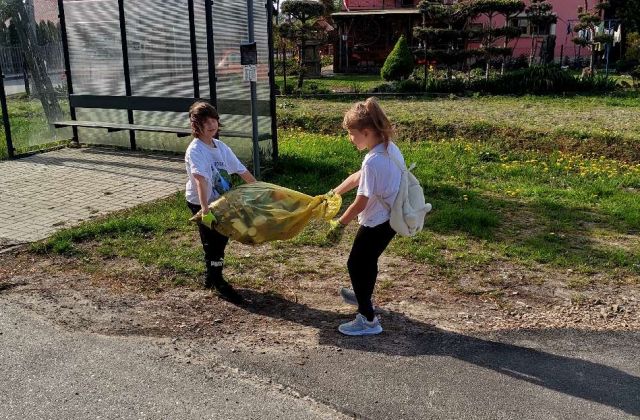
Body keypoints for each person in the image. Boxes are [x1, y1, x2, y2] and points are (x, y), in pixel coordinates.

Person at [326, 97, 404, 336]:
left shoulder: (374, 160)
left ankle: (368, 319)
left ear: (366, 131)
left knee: (356, 263)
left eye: (351, 133)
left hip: (377, 223)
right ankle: (363, 297)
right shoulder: (388, 148)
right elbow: (358, 176)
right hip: (389, 219)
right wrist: (333, 193)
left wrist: (340, 224)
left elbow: (361, 202)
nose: (350, 138)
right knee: (366, 262)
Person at [185, 101, 256, 303]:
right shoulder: (196, 150)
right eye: (205, 121)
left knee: (221, 238)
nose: (211, 124)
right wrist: (205, 210)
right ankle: (217, 281)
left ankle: (211, 276)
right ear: (196, 125)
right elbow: (201, 180)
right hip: (201, 202)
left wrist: (261, 190)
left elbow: (241, 170)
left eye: (214, 119)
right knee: (212, 241)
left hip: (221, 201)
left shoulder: (221, 147)